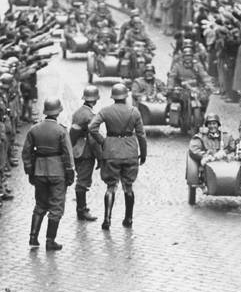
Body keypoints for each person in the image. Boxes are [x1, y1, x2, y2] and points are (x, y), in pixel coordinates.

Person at [86, 83, 147, 230]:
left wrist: (103, 141)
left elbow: (92, 127)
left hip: (111, 152)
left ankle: (107, 219)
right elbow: (141, 135)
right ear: (126, 96)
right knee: (128, 187)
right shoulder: (134, 112)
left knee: (111, 187)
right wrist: (143, 153)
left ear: (113, 96)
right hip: (130, 152)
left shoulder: (105, 111)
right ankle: (129, 219)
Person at [22, 98, 75, 251]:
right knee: (56, 207)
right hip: (57, 172)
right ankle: (50, 241)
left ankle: (33, 237)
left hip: (39, 171)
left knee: (40, 205)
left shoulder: (34, 129)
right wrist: (70, 172)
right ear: (58, 112)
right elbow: (67, 154)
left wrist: (30, 171)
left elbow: (26, 153)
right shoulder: (61, 130)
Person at [69, 86, 101, 222]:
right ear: (95, 100)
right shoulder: (91, 116)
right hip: (86, 152)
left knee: (81, 179)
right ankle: (81, 210)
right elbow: (93, 140)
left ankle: (82, 209)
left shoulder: (78, 112)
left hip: (76, 149)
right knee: (83, 181)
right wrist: (100, 156)